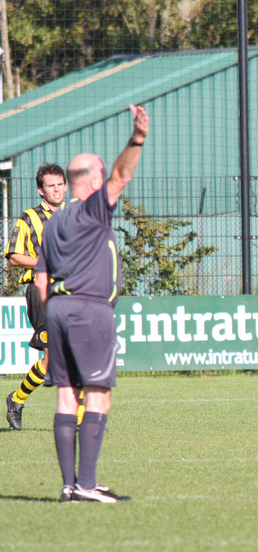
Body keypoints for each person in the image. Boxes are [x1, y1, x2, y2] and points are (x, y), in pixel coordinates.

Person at [35, 104, 149, 503]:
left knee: (67, 394)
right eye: (103, 173)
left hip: (57, 310)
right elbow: (122, 174)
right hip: (89, 310)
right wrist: (137, 139)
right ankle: (86, 485)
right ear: (95, 178)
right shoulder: (94, 210)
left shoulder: (52, 224)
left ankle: (70, 486)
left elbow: (41, 280)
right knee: (98, 395)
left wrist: (54, 316)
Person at [5, 164, 68, 430]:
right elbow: (13, 256)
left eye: (60, 184)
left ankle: (82, 419)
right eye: (51, 186)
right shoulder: (29, 217)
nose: (57, 189)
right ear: (41, 190)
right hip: (42, 291)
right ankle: (17, 400)